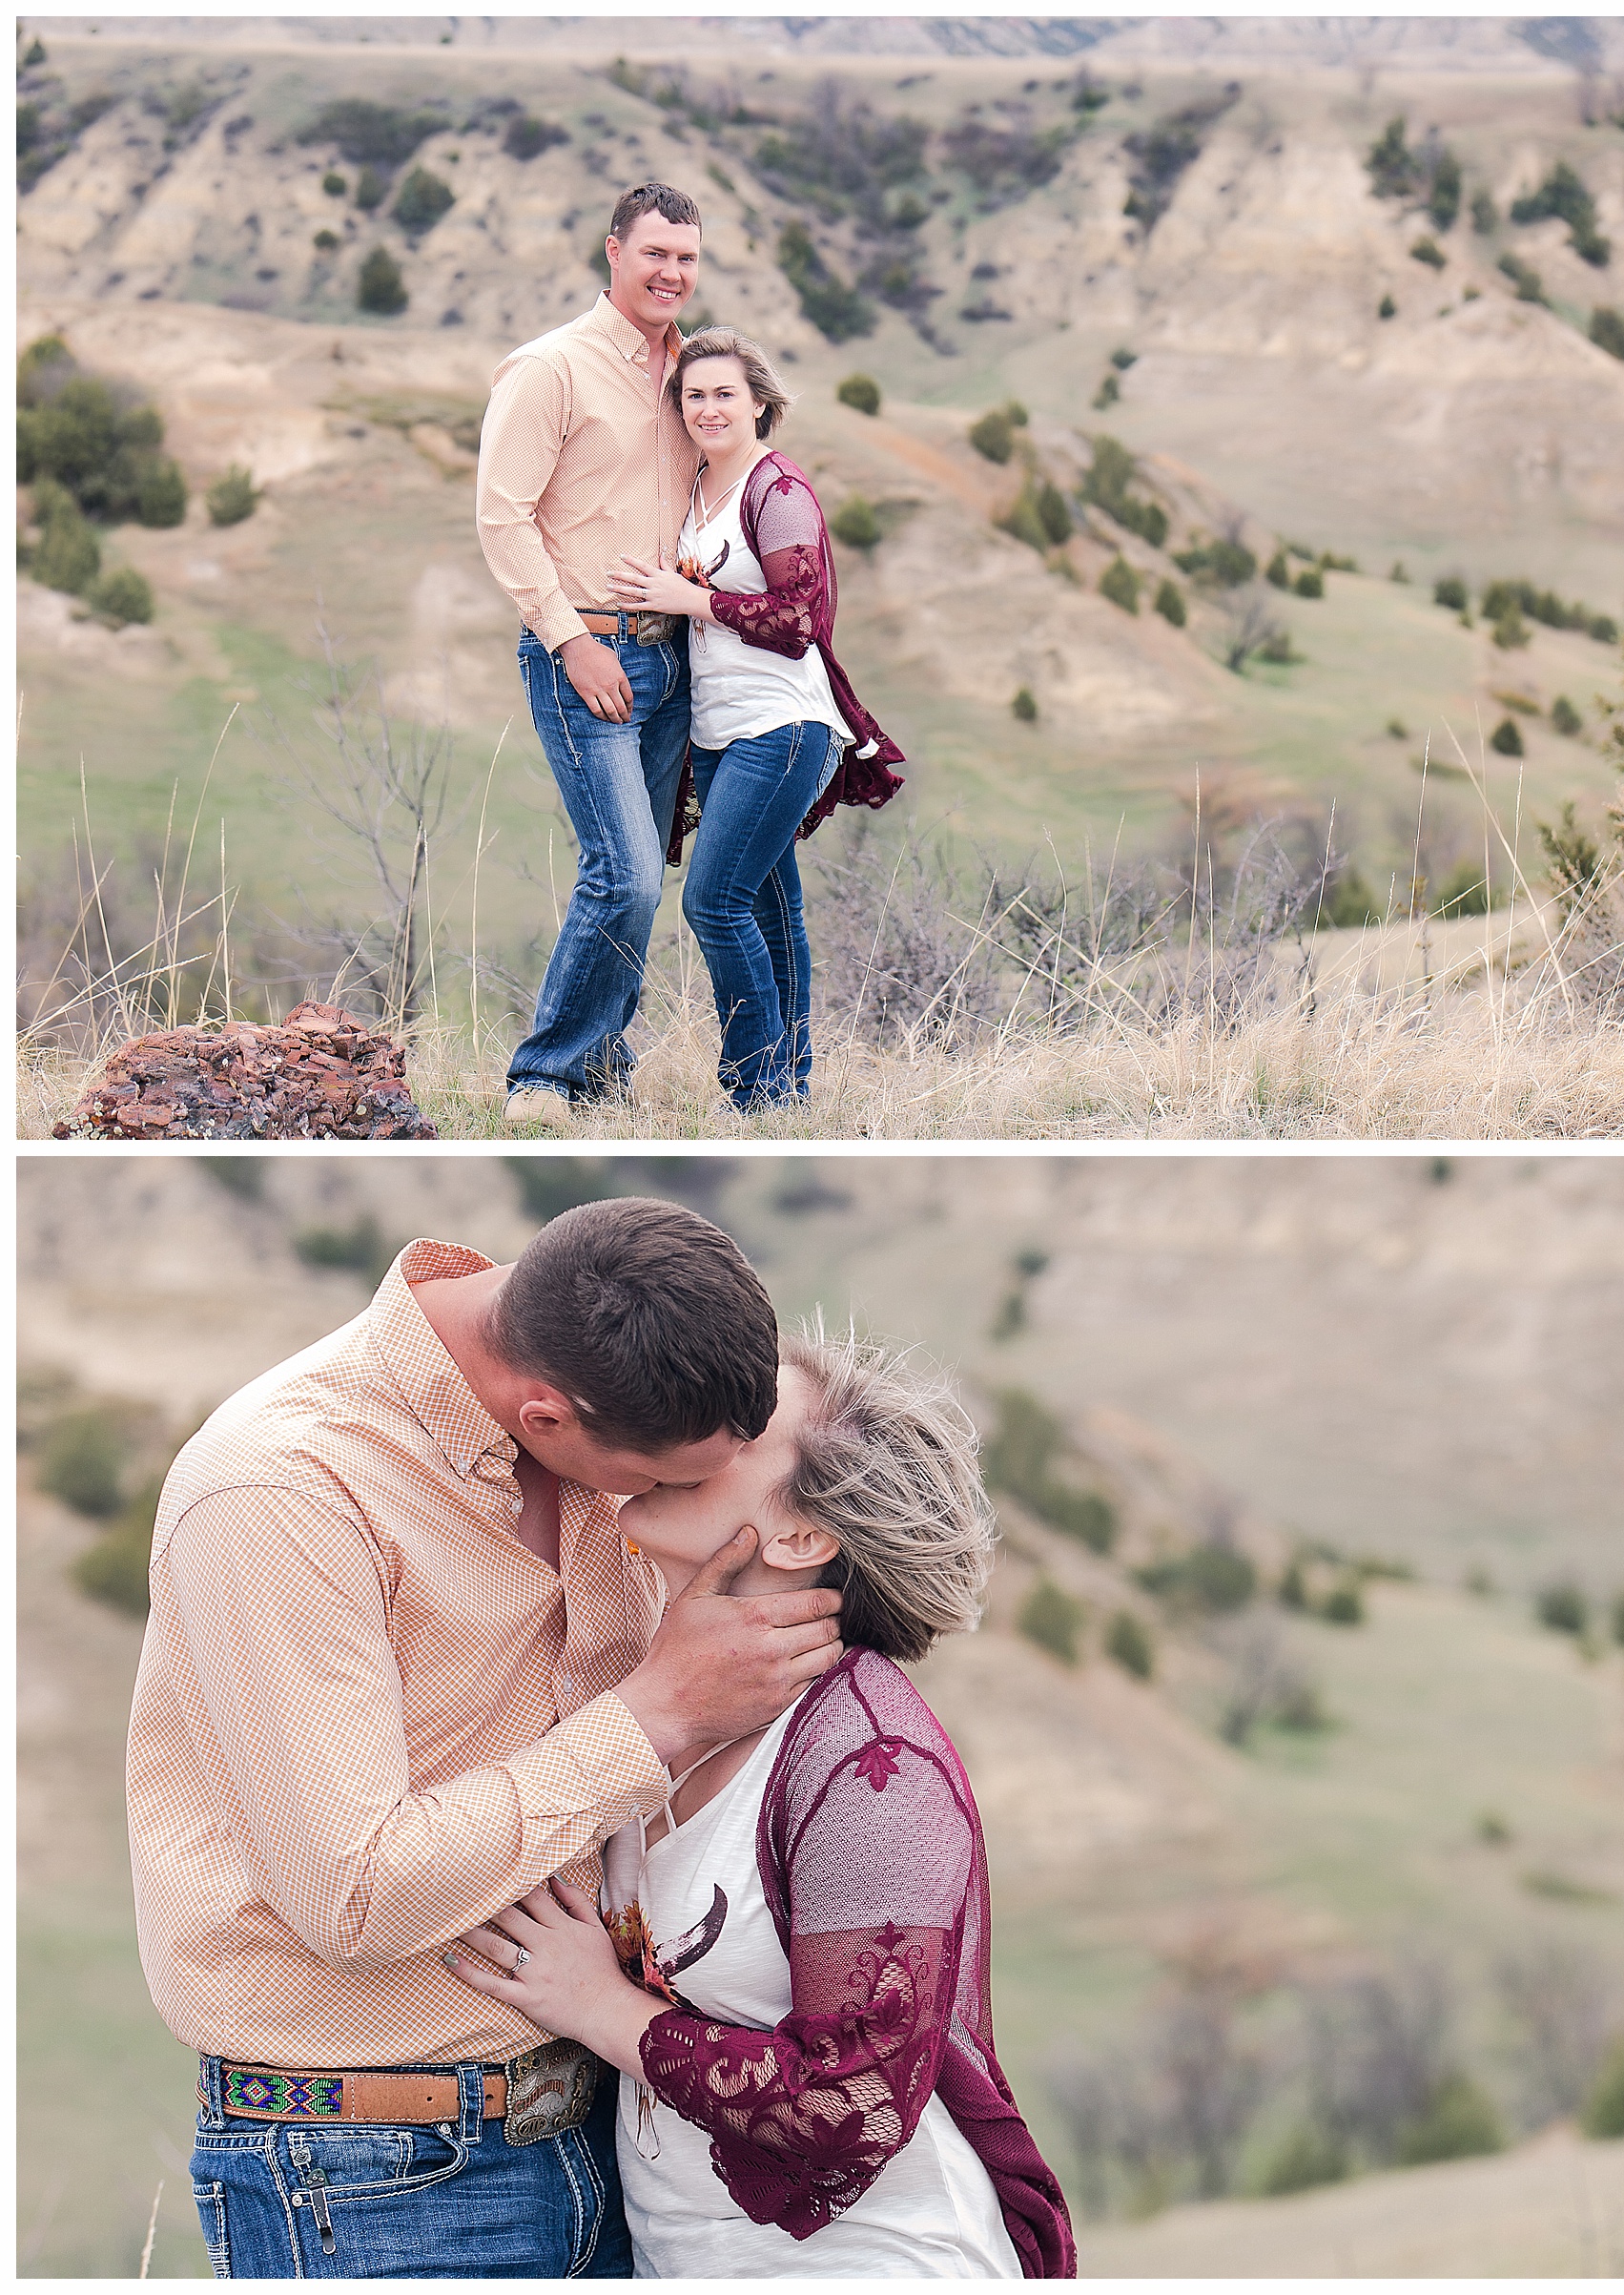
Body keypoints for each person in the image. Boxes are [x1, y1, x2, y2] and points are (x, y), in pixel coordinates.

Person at [126, 1198, 845, 2280]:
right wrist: (658, 1713)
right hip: (375, 2168)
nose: (670, 1507)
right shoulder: (280, 1490)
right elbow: (351, 1892)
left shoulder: (600, 1389)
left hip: (622, 2125)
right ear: (546, 1413)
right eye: (658, 1481)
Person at [445, 1330, 1076, 2279]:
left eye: (744, 1424)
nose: (698, 1422)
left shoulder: (872, 1762)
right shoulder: (652, 1696)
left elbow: (853, 2106)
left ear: (800, 1535)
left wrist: (596, 2006)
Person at [610, 330, 904, 1109]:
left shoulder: (776, 492)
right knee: (772, 911)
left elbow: (799, 619)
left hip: (783, 727)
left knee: (713, 900)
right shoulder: (697, 491)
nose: (707, 409)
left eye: (724, 394)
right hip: (716, 729)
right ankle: (788, 1090)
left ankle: (754, 1089)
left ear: (761, 404)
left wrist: (693, 599)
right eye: (694, 395)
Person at [475, 183, 706, 1130]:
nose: (671, 273)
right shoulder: (551, 369)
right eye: (655, 253)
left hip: (677, 658)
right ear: (613, 252)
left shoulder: (695, 371)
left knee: (647, 864)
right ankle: (545, 1077)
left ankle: (606, 1060)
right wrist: (571, 641)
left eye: (687, 258)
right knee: (627, 872)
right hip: (588, 656)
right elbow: (502, 515)